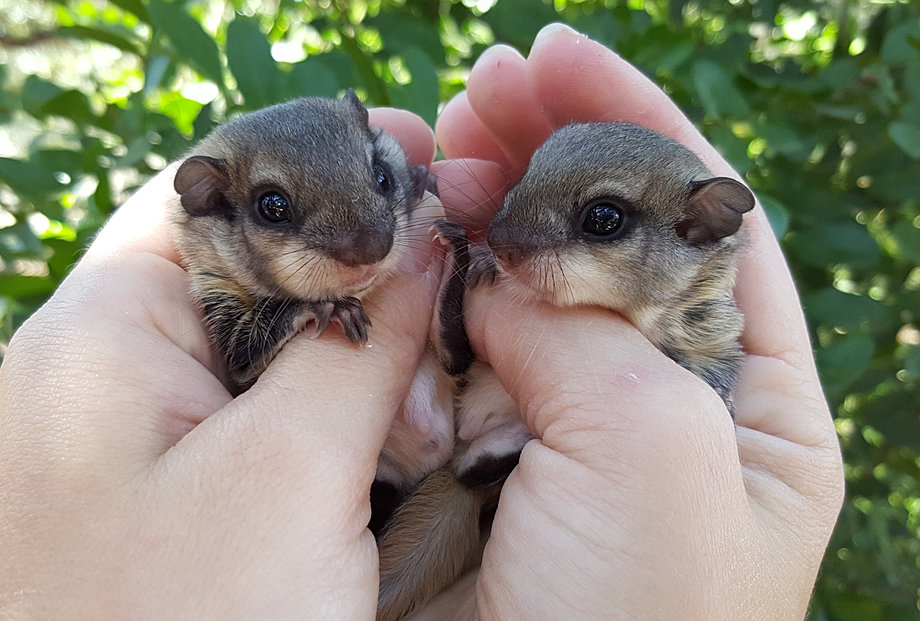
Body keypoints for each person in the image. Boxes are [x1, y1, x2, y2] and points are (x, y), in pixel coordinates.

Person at [0, 23, 842, 620]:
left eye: (603, 223)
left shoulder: (685, 327)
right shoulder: (237, 283)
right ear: (213, 205)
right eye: (518, 202)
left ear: (698, 230)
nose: (370, 241)